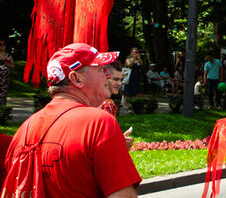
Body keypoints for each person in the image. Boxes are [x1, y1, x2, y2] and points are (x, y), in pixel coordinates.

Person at [3, 43, 141, 196]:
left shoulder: (23, 130)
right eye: (101, 69)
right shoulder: (98, 123)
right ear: (77, 79)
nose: (108, 75)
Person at [98, 60, 134, 150]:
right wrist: (120, 142)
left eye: (121, 80)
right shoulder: (108, 104)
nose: (119, 83)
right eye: (115, 79)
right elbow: (105, 141)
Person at [0, 40, 14, 106]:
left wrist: (8, 64)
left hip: (5, 79)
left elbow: (13, 66)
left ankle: (3, 107)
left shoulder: (8, 56)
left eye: (4, 44)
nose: (2, 46)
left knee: (3, 94)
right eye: (0, 45)